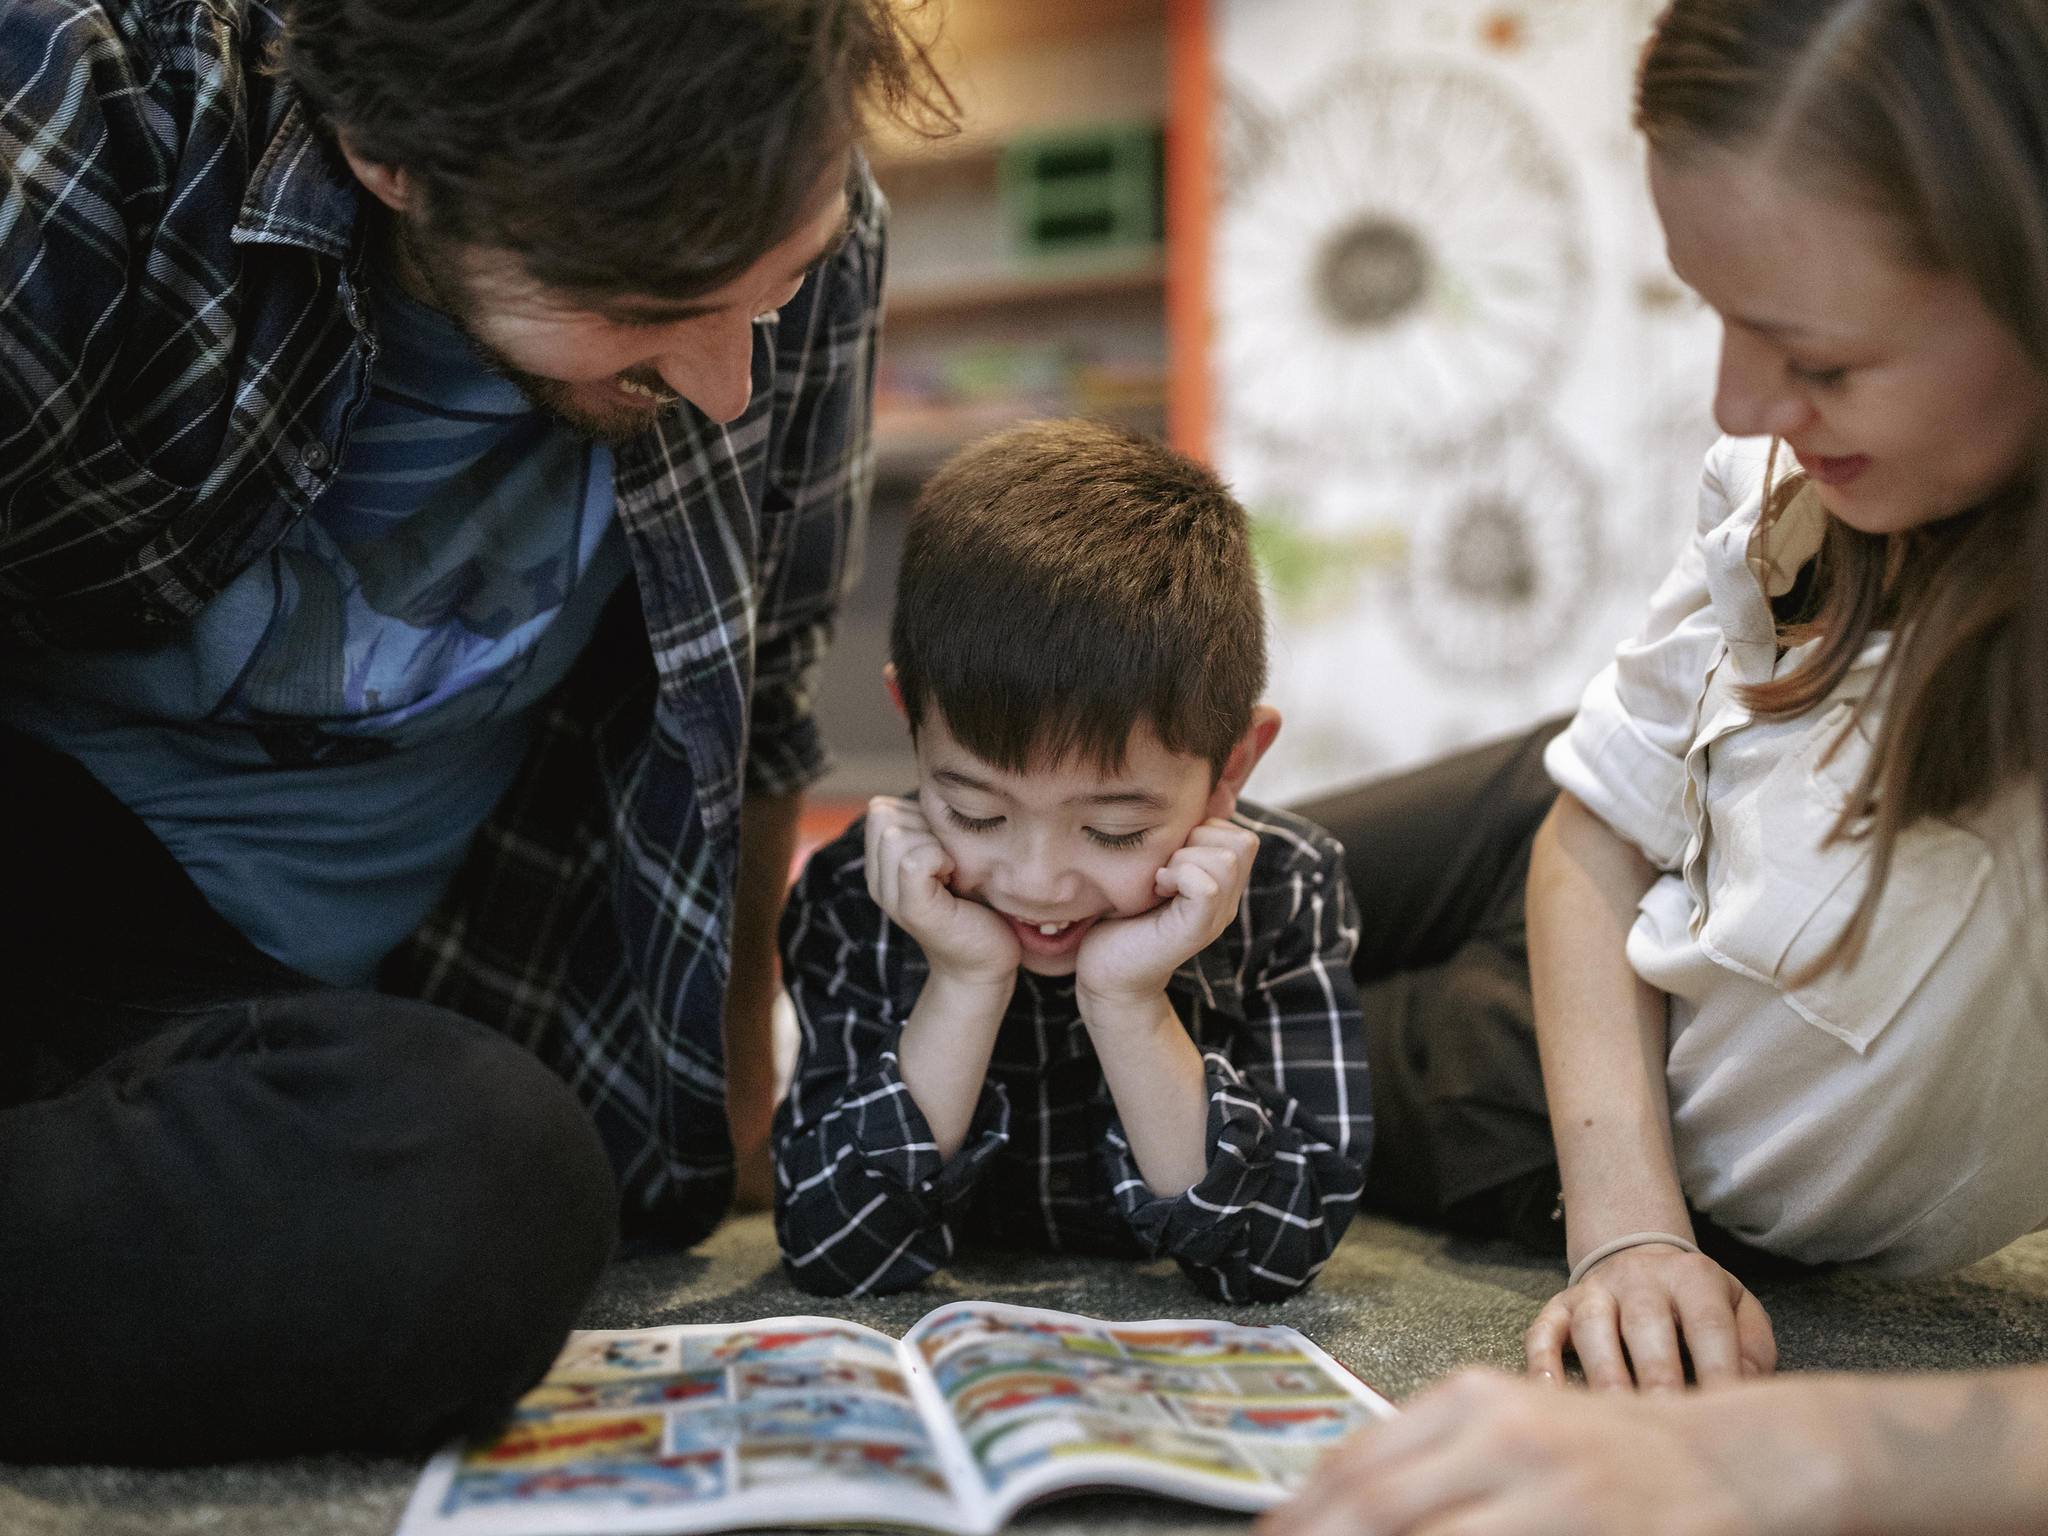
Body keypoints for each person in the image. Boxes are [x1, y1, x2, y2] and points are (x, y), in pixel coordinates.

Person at [0, 0, 948, 1463]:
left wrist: (749, 1113)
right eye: (646, 303)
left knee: (490, 1192)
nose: (723, 384)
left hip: (267, 1019)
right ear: (391, 153)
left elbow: (765, 695)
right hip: (51, 854)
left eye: (772, 289)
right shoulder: (90, 95)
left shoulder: (799, 205)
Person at [1261, 0, 2048, 1528]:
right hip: (1560, 850)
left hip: (1551, 1086)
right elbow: (1588, 832)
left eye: (1817, 354)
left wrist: (1766, 1441)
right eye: (1715, 313)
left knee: (1171, 1073)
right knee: (1142, 867)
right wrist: (1627, 1230)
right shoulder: (1783, 492)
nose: (1743, 407)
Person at [770, 419, 1372, 1303]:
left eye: (1115, 831)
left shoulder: (1289, 889)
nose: (1037, 881)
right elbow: (832, 1251)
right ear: (911, 717)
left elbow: (1275, 1256)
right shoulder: (861, 892)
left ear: (1233, 765)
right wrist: (966, 982)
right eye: (974, 811)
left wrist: (1128, 1002)